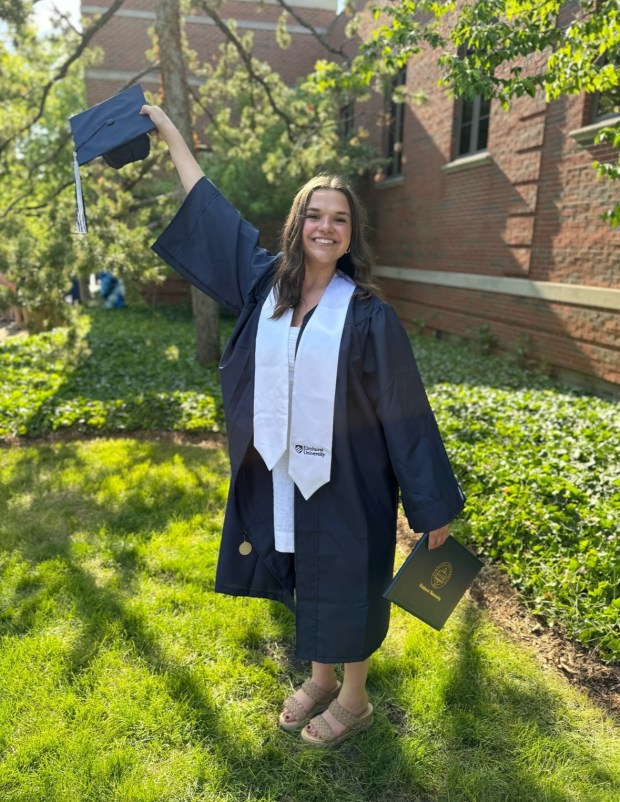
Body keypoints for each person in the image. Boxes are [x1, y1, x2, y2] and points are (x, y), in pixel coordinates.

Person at [142, 104, 465, 748]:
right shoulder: (267, 286)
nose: (326, 226)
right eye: (314, 215)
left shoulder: (370, 315)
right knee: (305, 572)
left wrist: (433, 507)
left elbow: (406, 408)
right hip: (286, 470)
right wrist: (168, 130)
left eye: (338, 219)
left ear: (351, 235)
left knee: (348, 581)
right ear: (297, 225)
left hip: (351, 480)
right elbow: (208, 208)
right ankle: (320, 680)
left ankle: (354, 698)